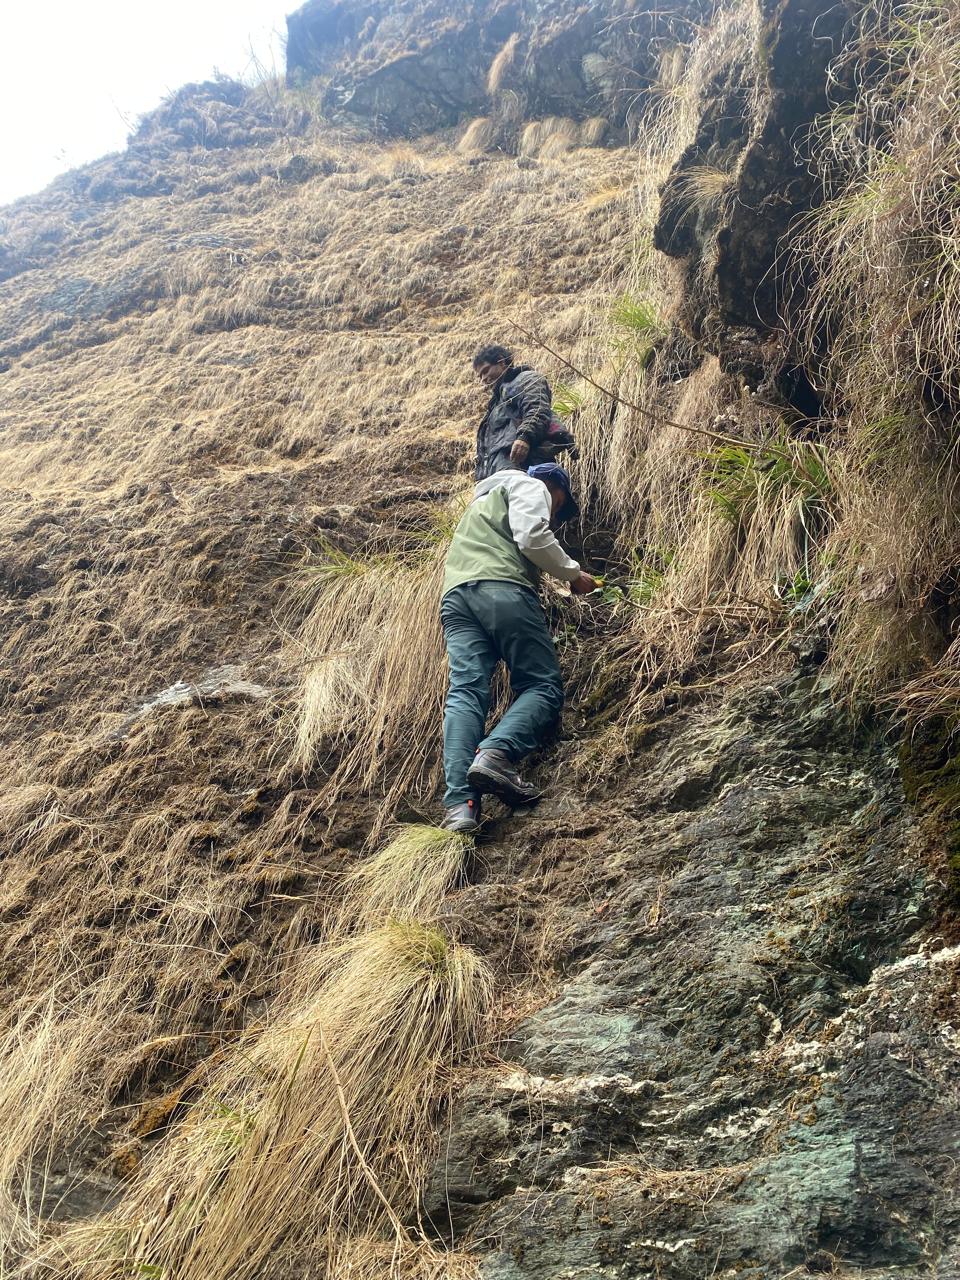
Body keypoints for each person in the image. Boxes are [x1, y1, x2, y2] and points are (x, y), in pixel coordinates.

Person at [439, 461, 598, 833]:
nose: (555, 511)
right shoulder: (530, 486)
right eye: (559, 504)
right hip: (501, 590)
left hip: (456, 597)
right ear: (554, 487)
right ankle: (496, 754)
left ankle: (460, 809)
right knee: (542, 685)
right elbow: (531, 536)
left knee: (465, 694)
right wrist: (573, 574)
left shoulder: (481, 503)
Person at [473, 344, 575, 482]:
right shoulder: (495, 405)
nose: (483, 379)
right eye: (480, 376)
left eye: (485, 371)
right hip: (500, 472)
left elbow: (537, 408)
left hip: (526, 465)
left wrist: (525, 437)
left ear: (501, 362)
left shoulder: (525, 379)